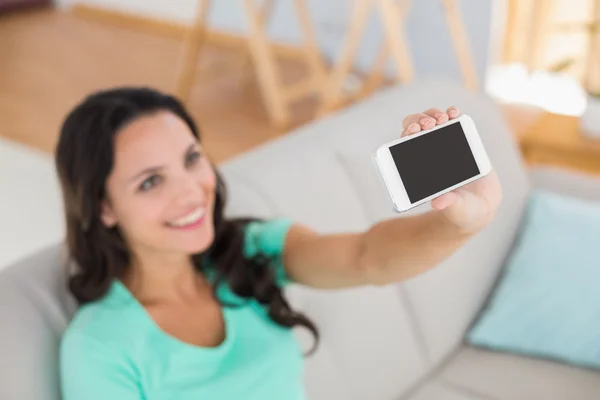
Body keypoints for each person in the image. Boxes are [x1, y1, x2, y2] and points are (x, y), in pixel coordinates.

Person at [57, 87, 502, 400]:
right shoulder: (100, 347)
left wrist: (461, 222)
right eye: (151, 181)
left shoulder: (251, 250)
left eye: (192, 159)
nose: (192, 192)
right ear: (104, 207)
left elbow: (367, 257)